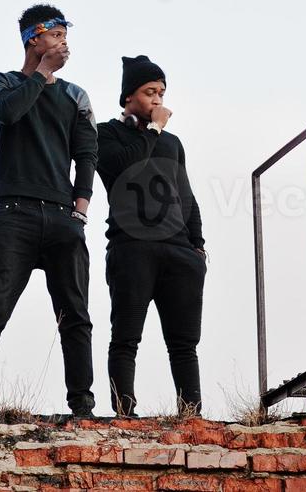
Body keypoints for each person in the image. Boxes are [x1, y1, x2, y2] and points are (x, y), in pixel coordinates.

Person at [0, 4, 98, 417]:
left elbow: (87, 151)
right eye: (56, 35)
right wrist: (40, 74)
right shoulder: (2, 82)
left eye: (65, 36)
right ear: (33, 39)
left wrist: (81, 207)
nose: (64, 43)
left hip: (63, 218)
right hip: (15, 214)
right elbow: (7, 113)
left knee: (75, 315)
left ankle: (82, 407)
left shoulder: (76, 94)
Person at [95, 55, 206, 416]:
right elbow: (124, 165)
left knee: (184, 344)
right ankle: (125, 415)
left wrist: (198, 246)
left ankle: (192, 416)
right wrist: (153, 130)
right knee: (126, 338)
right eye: (149, 92)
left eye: (161, 92)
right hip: (132, 248)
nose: (157, 100)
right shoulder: (106, 134)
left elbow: (185, 195)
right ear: (129, 97)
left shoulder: (172, 143)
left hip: (179, 252)